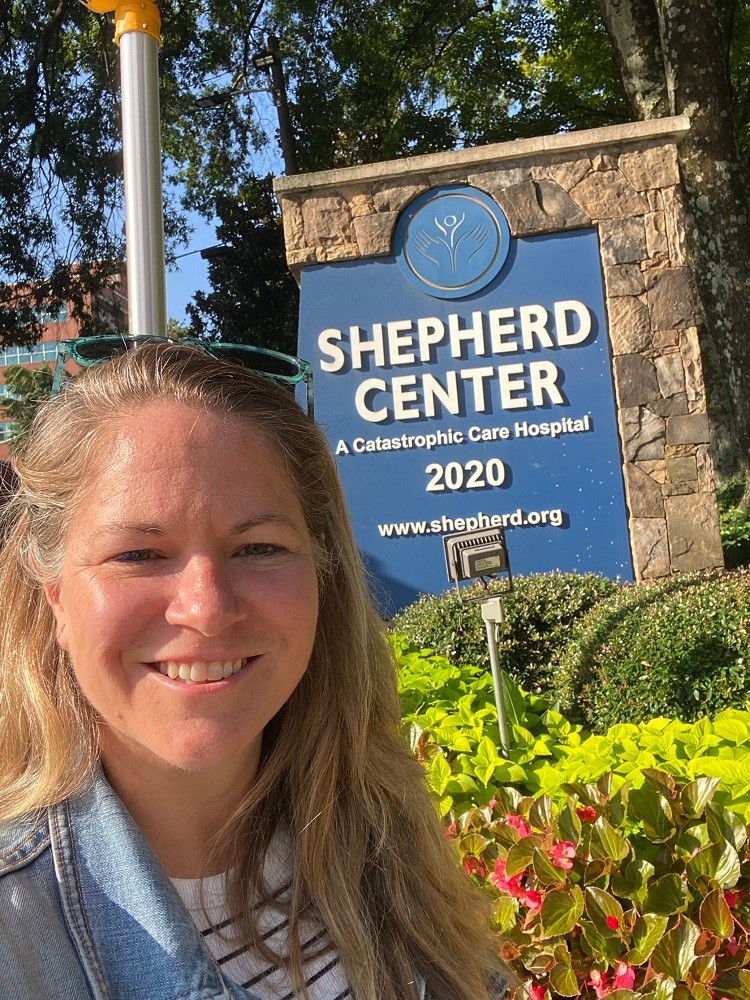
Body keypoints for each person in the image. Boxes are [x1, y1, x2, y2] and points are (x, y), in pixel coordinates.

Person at [0, 341, 511, 1000]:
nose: (207, 609)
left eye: (259, 547)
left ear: (323, 574)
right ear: (56, 597)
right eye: (138, 553)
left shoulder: (384, 842)